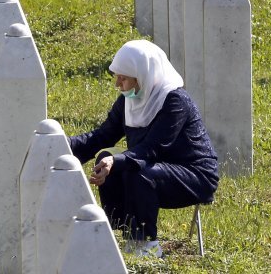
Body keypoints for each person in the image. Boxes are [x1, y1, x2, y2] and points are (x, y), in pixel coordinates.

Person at [68, 40, 218, 257]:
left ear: (142, 76)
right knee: (106, 156)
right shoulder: (128, 101)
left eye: (123, 78)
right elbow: (101, 136)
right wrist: (63, 145)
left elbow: (152, 148)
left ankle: (147, 246)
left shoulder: (174, 101)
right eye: (117, 77)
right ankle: (126, 232)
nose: (118, 84)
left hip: (194, 175)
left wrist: (115, 161)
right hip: (152, 167)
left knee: (136, 171)